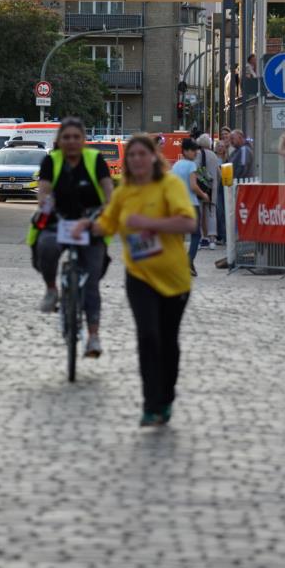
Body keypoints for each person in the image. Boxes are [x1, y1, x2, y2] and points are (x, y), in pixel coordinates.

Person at [72, 134, 197, 427]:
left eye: (143, 154)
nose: (137, 159)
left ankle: (166, 398)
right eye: (132, 155)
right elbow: (108, 224)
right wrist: (86, 226)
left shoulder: (169, 185)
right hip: (139, 276)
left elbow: (189, 222)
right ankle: (150, 405)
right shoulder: (124, 193)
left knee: (168, 341)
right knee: (147, 337)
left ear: (154, 157)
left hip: (174, 277)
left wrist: (149, 223)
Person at [31, 116, 114, 357]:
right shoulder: (51, 161)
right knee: (45, 245)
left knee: (91, 284)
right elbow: (44, 191)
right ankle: (51, 289)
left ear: (84, 140)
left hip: (91, 222)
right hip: (60, 219)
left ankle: (93, 337)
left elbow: (109, 192)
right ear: (59, 140)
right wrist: (46, 204)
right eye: (66, 137)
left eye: (76, 137)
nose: (71, 141)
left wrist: (102, 214)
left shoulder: (95, 160)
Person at [171, 139, 209, 276]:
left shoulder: (175, 166)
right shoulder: (191, 165)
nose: (195, 153)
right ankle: (189, 260)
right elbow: (193, 186)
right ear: (186, 151)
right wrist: (204, 195)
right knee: (196, 235)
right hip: (191, 204)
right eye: (193, 151)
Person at [196, 133, 221, 249]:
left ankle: (201, 238)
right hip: (213, 186)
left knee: (199, 212)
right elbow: (218, 173)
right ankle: (212, 240)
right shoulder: (214, 156)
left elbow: (196, 169)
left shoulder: (198, 154)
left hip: (201, 186)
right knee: (211, 212)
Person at [214, 139, 228, 244]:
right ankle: (219, 234)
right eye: (218, 145)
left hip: (225, 186)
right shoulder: (213, 158)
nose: (220, 147)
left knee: (224, 211)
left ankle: (224, 235)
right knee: (218, 211)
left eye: (222, 146)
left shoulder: (227, 159)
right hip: (216, 186)